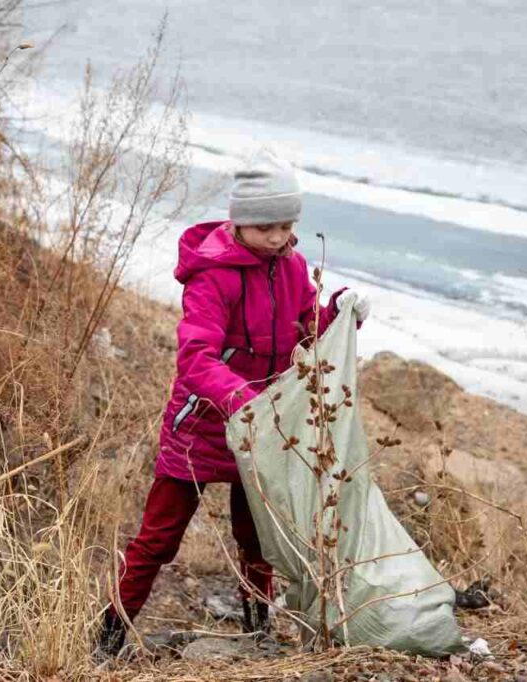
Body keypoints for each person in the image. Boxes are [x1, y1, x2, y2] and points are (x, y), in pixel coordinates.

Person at [97, 149, 371, 656]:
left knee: (258, 539)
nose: (278, 237)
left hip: (260, 428)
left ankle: (257, 630)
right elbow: (196, 358)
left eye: (287, 225)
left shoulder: (291, 267)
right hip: (200, 427)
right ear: (240, 221)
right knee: (158, 540)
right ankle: (107, 636)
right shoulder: (211, 275)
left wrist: (339, 313)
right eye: (266, 226)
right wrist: (243, 400)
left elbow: (305, 330)